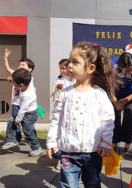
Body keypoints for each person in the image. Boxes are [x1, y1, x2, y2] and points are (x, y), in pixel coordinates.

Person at [46, 42, 117, 188]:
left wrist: (106, 142)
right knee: (68, 184)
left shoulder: (99, 94)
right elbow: (56, 119)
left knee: (92, 183)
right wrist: (52, 141)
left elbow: (107, 120)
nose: (69, 66)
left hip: (92, 152)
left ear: (90, 68)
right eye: (69, 61)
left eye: (75, 62)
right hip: (68, 152)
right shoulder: (64, 93)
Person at [1, 48, 36, 150]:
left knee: (26, 124)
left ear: (29, 69)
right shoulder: (17, 74)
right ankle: (15, 139)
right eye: (19, 64)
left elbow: (23, 84)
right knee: (16, 122)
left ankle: (30, 139)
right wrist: (5, 58)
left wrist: (12, 81)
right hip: (16, 103)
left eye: (23, 65)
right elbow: (7, 68)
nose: (19, 66)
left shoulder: (29, 77)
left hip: (25, 105)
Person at [8, 69, 42, 156]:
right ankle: (12, 140)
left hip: (29, 114)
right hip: (28, 112)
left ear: (21, 85)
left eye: (14, 83)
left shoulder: (27, 95)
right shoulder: (26, 86)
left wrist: (18, 120)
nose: (13, 84)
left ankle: (36, 148)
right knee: (11, 121)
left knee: (28, 131)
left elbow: (23, 109)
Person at [112, 52, 132, 152]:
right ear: (120, 67)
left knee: (129, 116)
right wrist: (116, 102)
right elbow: (108, 87)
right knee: (114, 118)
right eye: (127, 71)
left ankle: (127, 144)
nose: (130, 72)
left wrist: (125, 100)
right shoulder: (111, 67)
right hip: (114, 95)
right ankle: (113, 142)